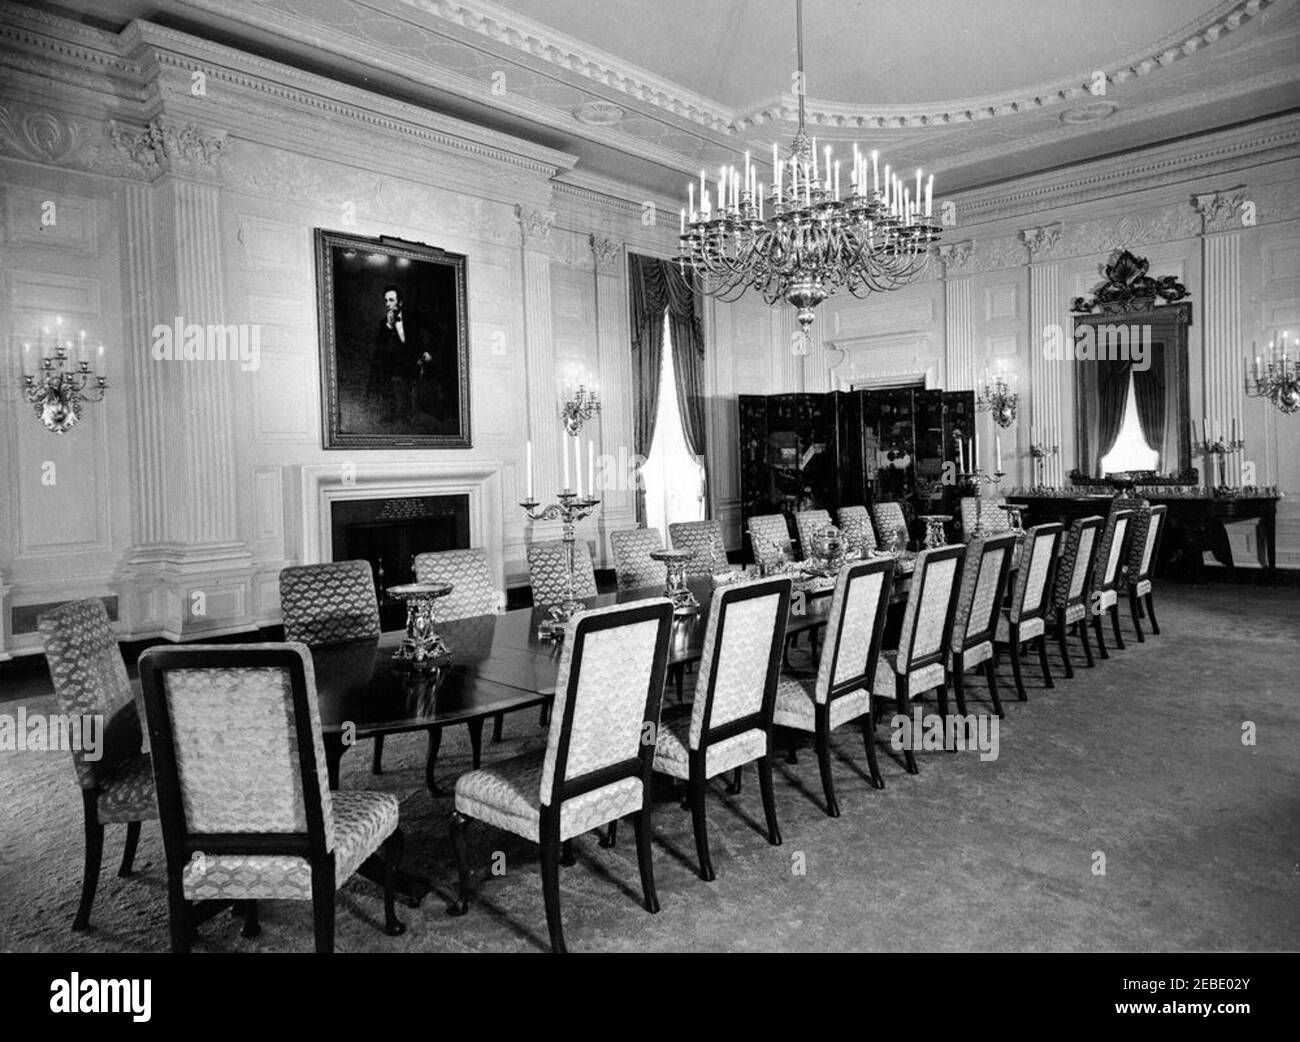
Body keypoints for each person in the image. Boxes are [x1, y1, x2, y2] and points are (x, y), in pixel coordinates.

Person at [368, 286, 431, 423]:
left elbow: (434, 330)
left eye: (391, 300)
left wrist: (428, 351)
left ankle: (407, 414)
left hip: (414, 358)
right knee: (381, 369)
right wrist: (389, 326)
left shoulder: (413, 316)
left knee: (409, 380)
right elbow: (381, 348)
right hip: (396, 360)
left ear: (400, 303)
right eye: (386, 301)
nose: (387, 304)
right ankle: (391, 413)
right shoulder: (384, 323)